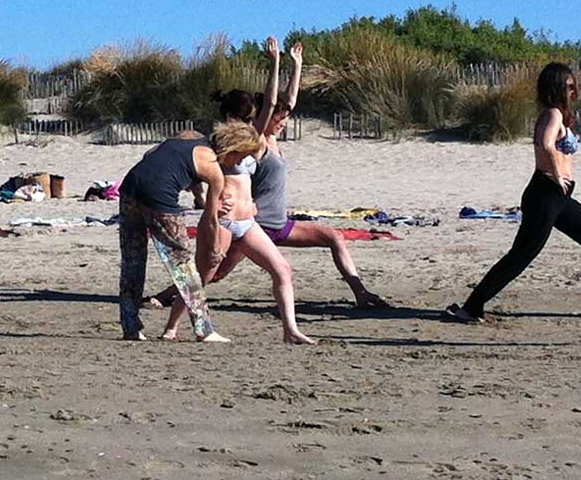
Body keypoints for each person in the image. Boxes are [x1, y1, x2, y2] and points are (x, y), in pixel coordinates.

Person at [444, 61, 581, 323]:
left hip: (558, 197)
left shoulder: (556, 115)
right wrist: (557, 176)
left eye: (574, 86)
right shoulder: (553, 114)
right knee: (522, 254)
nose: (573, 91)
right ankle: (471, 308)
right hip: (546, 193)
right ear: (555, 88)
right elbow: (546, 145)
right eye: (568, 86)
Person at [202, 38, 386, 309]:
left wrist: (297, 65)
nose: (283, 123)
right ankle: (166, 295)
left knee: (334, 236)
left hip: (280, 225)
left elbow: (287, 102)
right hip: (258, 225)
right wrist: (275, 64)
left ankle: (361, 293)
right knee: (215, 272)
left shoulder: (274, 140)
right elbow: (272, 103)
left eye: (285, 119)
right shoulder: (256, 142)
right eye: (279, 120)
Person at [196, 119, 316, 344]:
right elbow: (191, 176)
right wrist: (206, 202)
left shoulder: (250, 147)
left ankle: (291, 331)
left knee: (282, 270)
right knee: (203, 277)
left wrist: (252, 201)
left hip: (248, 222)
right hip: (223, 222)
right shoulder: (215, 154)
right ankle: (172, 327)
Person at [116, 118, 232, 342]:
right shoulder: (214, 169)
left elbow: (152, 156)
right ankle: (204, 329)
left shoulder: (188, 138)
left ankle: (130, 326)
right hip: (159, 198)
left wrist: (199, 197)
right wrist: (215, 247)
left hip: (130, 187)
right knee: (183, 264)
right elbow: (210, 219)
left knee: (132, 261)